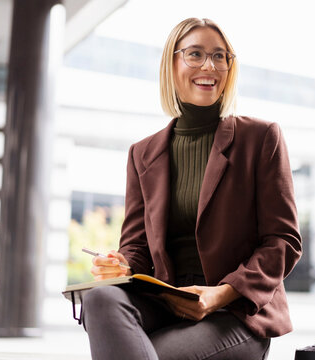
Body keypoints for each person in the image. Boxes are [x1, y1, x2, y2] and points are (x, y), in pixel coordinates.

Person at [82, 17, 302, 360]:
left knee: (146, 354)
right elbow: (138, 247)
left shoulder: (260, 138)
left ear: (230, 67)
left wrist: (220, 294)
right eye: (195, 54)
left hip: (236, 313)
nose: (209, 66)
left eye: (219, 56)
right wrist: (121, 265)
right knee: (99, 297)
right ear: (172, 64)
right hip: (168, 301)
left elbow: (283, 242)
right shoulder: (143, 153)